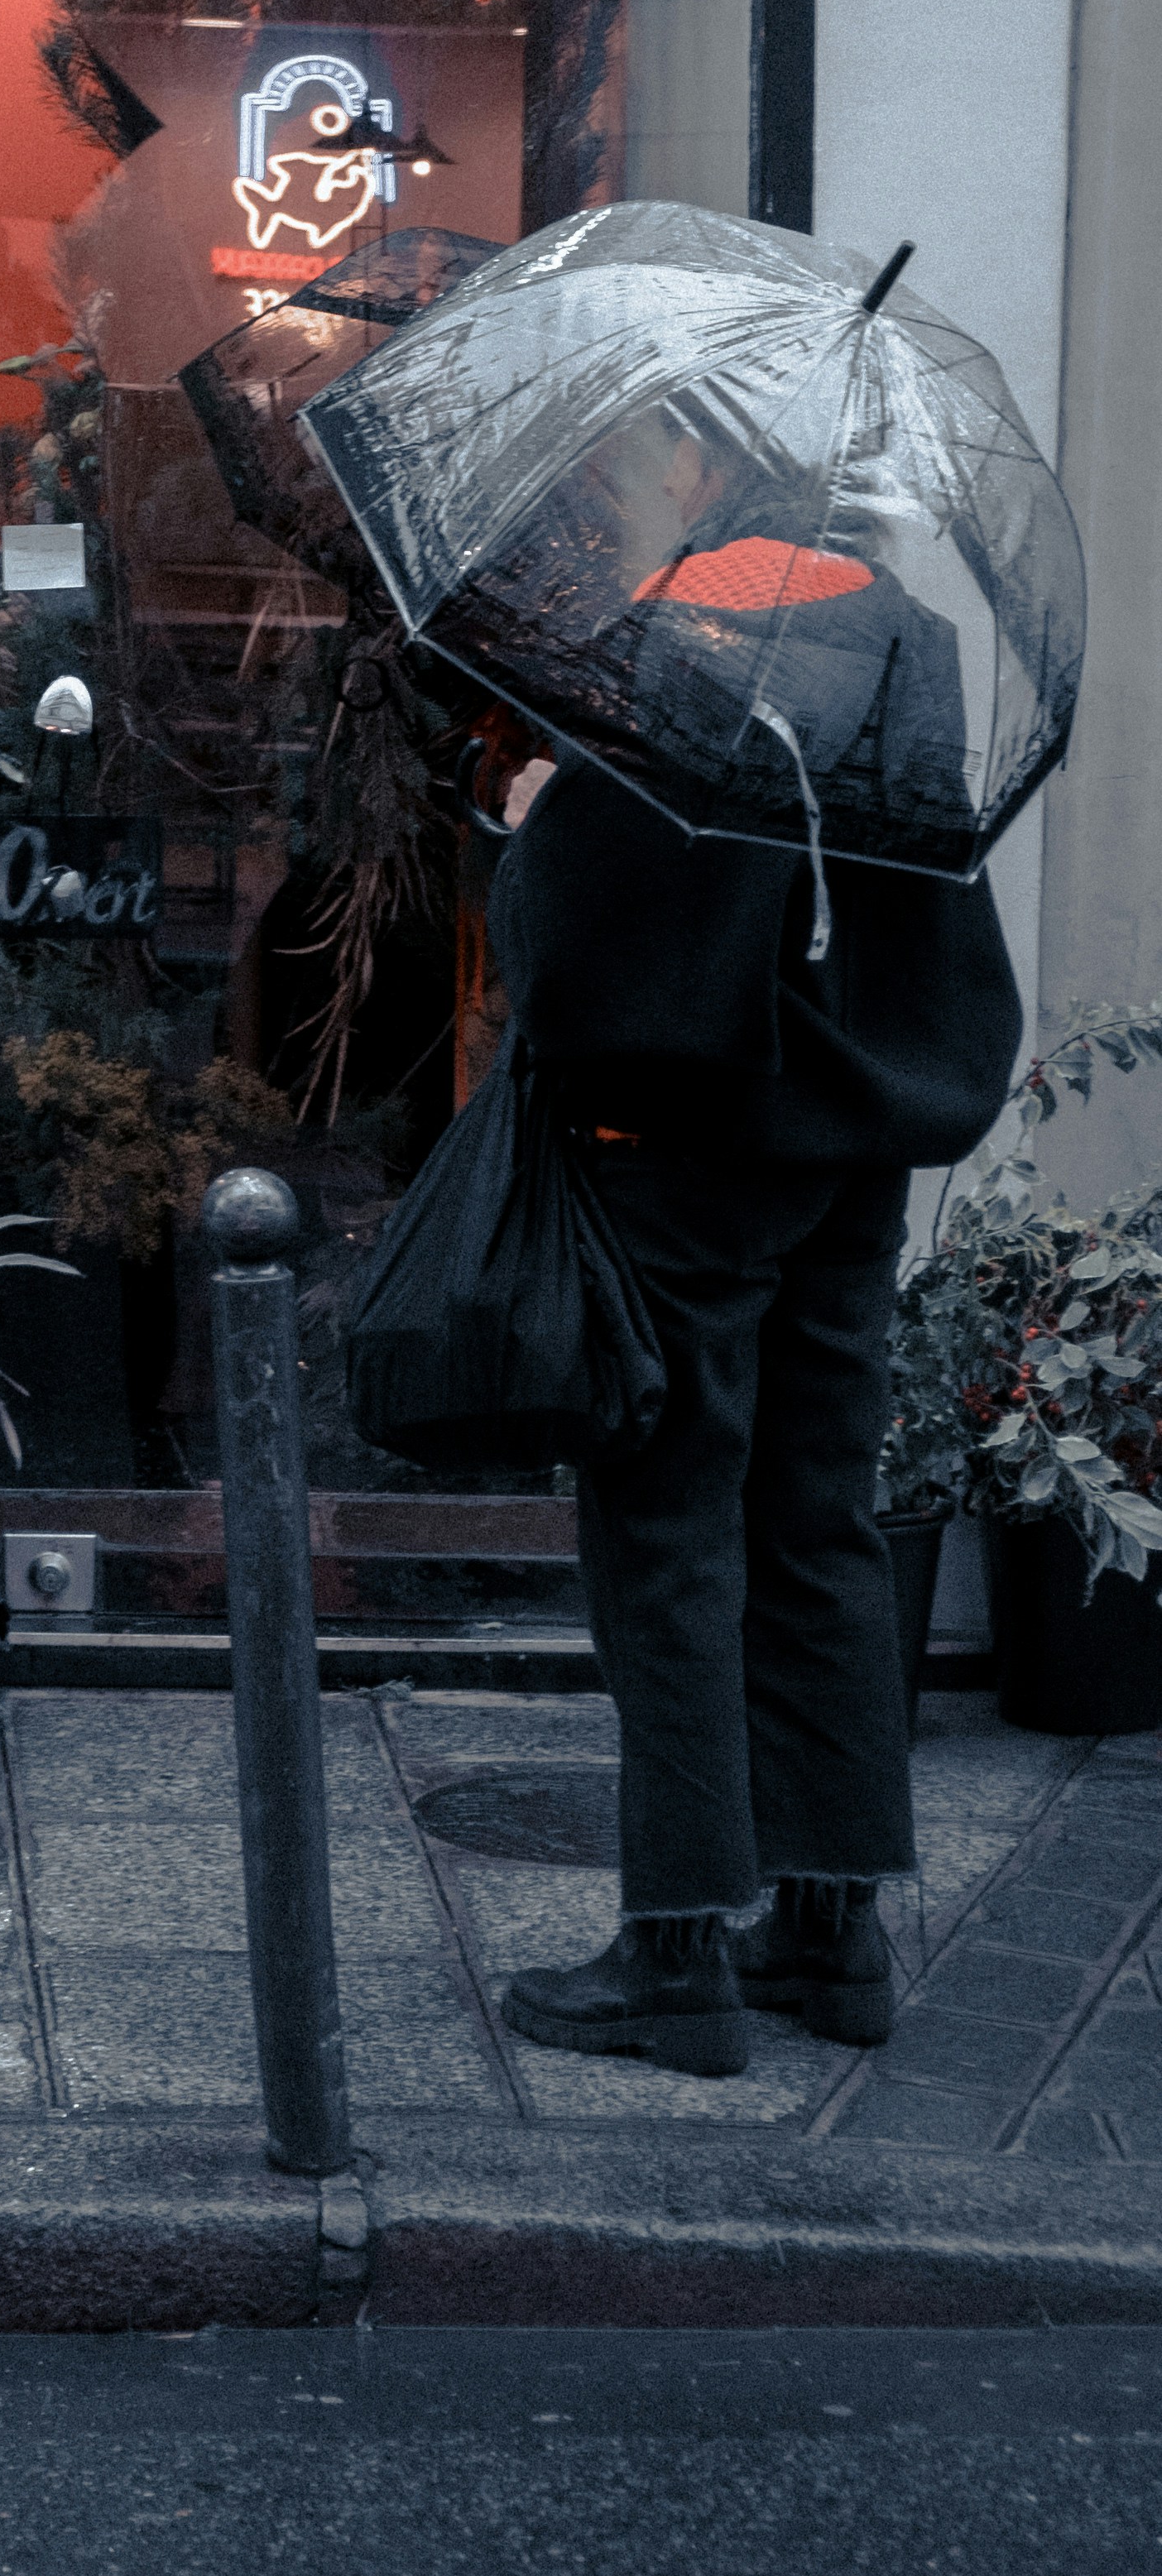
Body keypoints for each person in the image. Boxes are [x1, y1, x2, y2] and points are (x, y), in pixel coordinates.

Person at [478, 744, 1023, 2075]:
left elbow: (569, 965)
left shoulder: (683, 664)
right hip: (856, 1144)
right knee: (818, 1522)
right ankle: (829, 1934)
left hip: (692, 1155)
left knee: (666, 1536)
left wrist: (536, 822)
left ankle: (674, 1955)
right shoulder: (892, 666)